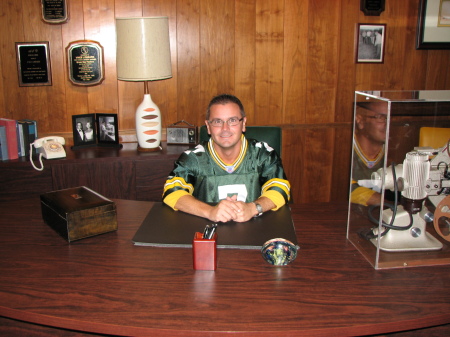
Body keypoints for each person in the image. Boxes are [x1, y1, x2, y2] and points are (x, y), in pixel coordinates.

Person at [163, 94, 291, 223]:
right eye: (218, 121)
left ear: (243, 123)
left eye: (232, 120)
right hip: (206, 232)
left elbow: (280, 188)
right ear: (208, 126)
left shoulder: (262, 154)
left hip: (257, 232)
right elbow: (172, 192)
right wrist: (210, 211)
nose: (225, 128)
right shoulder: (193, 158)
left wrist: (252, 208)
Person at [351, 103, 387, 206]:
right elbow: (346, 190)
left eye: (390, 117)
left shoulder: (397, 149)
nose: (387, 123)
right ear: (360, 121)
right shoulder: (343, 148)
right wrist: (389, 204)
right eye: (380, 117)